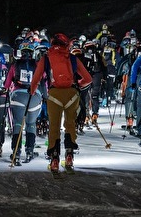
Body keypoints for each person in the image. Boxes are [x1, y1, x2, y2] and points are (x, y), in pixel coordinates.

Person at [28, 32, 93, 177]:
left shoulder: (46, 58)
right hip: (71, 94)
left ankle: (54, 159)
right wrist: (78, 85)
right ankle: (69, 157)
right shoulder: (72, 58)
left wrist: (32, 91)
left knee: (54, 127)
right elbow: (88, 78)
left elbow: (36, 78)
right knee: (70, 124)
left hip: (54, 94)